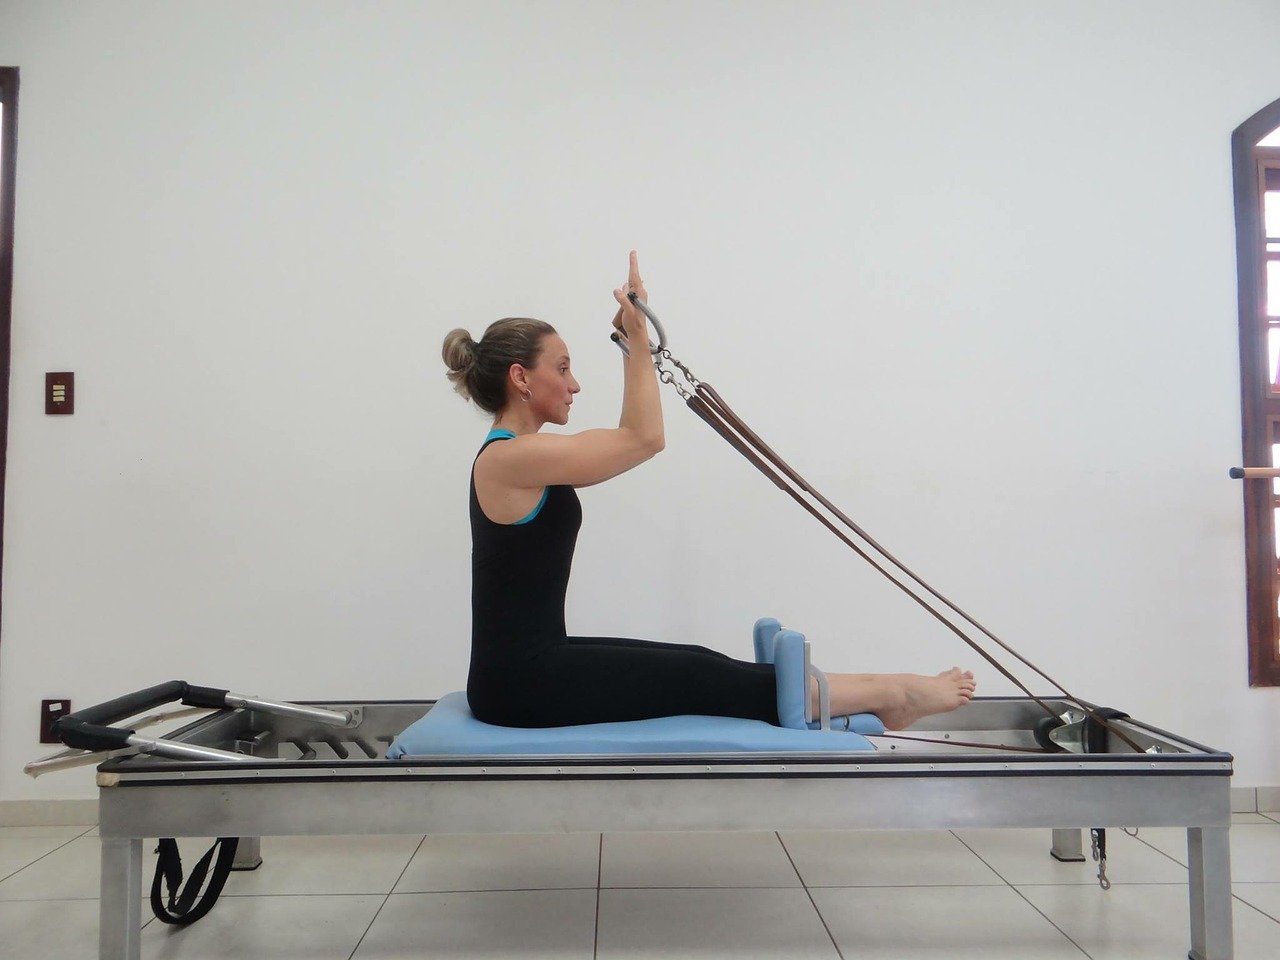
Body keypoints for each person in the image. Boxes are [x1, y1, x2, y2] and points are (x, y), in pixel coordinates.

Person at [441, 251, 976, 730]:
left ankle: (866, 690)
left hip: (532, 667)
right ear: (521, 378)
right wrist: (635, 340)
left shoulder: (518, 456)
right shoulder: (510, 458)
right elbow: (644, 438)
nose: (575, 383)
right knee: (697, 674)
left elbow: (634, 437)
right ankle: (894, 692)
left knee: (697, 664)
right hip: (519, 684)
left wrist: (636, 340)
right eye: (562, 368)